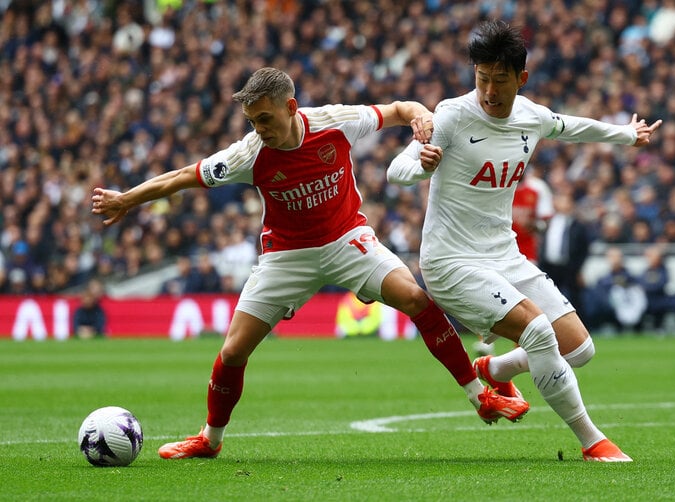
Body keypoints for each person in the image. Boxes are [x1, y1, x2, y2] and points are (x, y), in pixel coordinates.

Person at [91, 67, 522, 460]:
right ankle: (210, 439)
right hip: (287, 255)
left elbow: (396, 108)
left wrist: (420, 116)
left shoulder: (334, 122)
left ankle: (478, 395)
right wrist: (127, 198)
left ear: (291, 107)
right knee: (233, 350)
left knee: (414, 296)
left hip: (346, 239)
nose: (260, 130)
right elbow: (185, 176)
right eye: (253, 122)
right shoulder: (250, 153)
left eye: (265, 119)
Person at [388, 20, 662, 462]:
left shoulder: (530, 117)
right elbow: (395, 172)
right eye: (482, 79)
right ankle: (593, 442)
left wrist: (626, 135)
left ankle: (495, 369)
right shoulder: (453, 115)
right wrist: (420, 164)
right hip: (451, 261)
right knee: (537, 330)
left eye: (500, 81)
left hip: (504, 255)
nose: (490, 91)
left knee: (579, 348)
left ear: (522, 79)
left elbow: (572, 126)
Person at [538, 192, 591, 318]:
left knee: (573, 298)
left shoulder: (577, 225)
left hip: (570, 268)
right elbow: (543, 244)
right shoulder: (549, 222)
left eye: (564, 200)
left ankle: (580, 328)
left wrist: (578, 268)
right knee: (549, 298)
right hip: (550, 266)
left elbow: (584, 248)